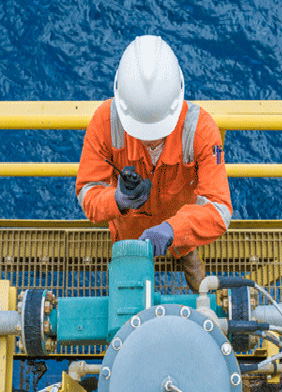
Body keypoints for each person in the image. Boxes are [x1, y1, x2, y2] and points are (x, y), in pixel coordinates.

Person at [75, 35, 232, 292]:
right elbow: (87, 193)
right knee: (130, 293)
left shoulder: (201, 131)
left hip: (180, 229)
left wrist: (173, 229)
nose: (149, 141)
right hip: (130, 231)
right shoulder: (104, 121)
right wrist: (117, 200)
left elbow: (219, 210)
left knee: (192, 263)